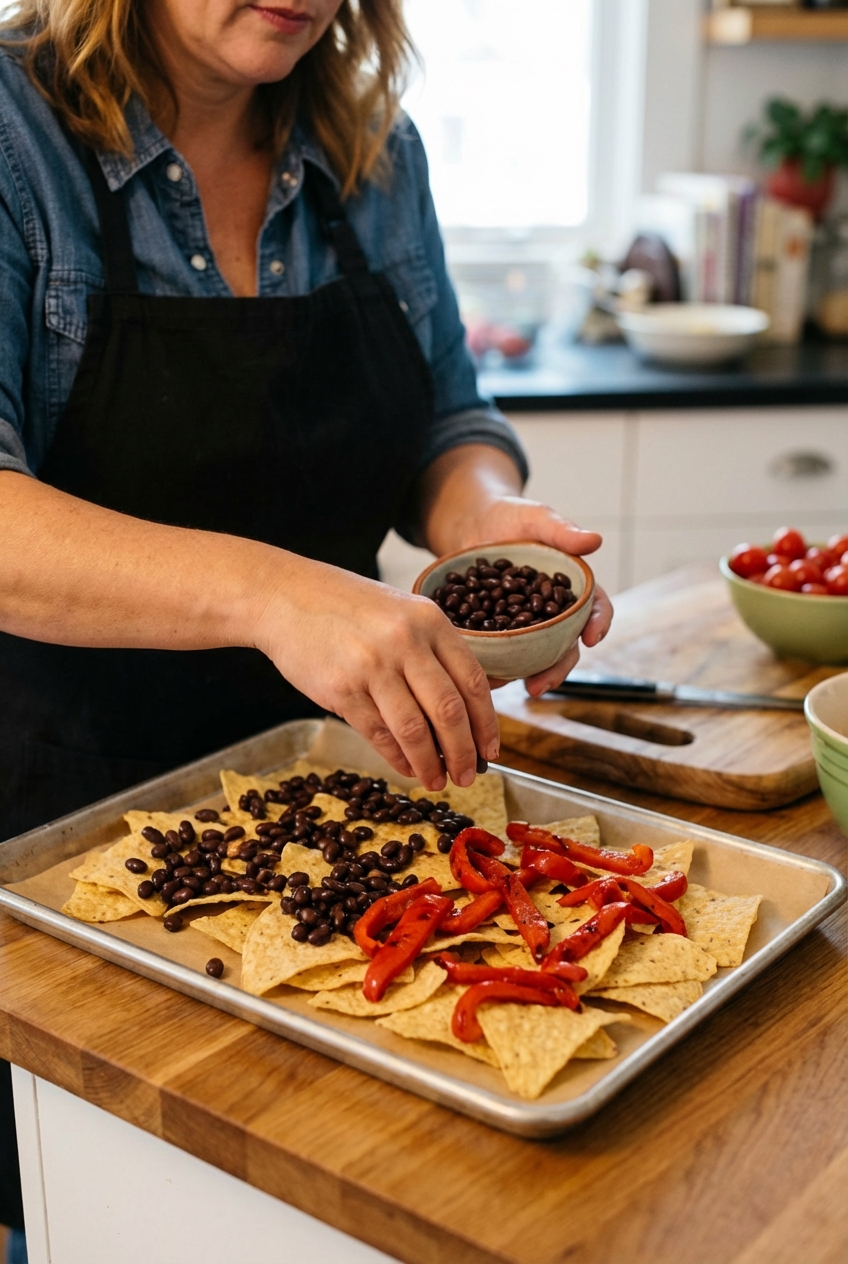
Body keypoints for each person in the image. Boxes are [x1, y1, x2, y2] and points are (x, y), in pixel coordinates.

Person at [0, 0, 613, 1245]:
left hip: (336, 812)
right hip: (54, 832)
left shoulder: (372, 149)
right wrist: (276, 591)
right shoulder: (16, 139)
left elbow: (447, 416)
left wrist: (487, 526)